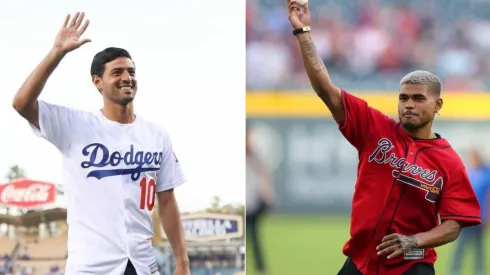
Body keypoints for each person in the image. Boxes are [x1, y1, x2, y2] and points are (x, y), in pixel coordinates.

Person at [286, 1, 482, 275]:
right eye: (403, 98)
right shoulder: (374, 128)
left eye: (418, 98)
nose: (409, 104)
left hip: (413, 264)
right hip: (359, 262)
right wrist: (303, 32)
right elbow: (325, 89)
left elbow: (454, 224)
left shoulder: (449, 162)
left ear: (437, 105)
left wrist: (416, 240)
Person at [12, 12, 190, 275]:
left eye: (131, 71)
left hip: (142, 265)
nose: (127, 77)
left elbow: (166, 200)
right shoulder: (75, 125)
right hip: (90, 267)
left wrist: (182, 260)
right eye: (116, 72)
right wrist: (57, 52)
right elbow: (22, 103)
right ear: (98, 82)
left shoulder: (157, 135)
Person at [450, 149, 490, 275]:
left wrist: (487, 216)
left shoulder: (486, 174)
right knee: (460, 247)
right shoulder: (466, 173)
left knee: (478, 247)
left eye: (474, 156)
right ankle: (454, 271)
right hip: (465, 217)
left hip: (479, 218)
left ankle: (479, 271)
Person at [246, 124, 274, 275]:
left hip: (253, 201)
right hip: (242, 202)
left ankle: (259, 268)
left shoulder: (255, 154)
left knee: (254, 234)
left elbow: (263, 174)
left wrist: (267, 193)